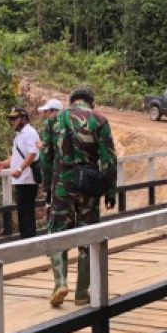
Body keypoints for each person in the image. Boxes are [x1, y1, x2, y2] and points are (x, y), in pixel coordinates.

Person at [40, 87, 118, 307]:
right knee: (87, 235)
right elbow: (109, 160)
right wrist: (110, 190)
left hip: (61, 187)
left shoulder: (53, 121)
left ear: (71, 101)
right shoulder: (100, 121)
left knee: (57, 233)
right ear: (91, 103)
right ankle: (82, 292)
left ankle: (60, 283)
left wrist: (47, 185)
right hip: (89, 187)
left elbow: (45, 157)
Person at [0, 107, 41, 239]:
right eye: (11, 119)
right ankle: (26, 240)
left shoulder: (30, 133)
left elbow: (32, 154)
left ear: (23, 119)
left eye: (14, 119)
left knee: (26, 212)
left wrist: (20, 169)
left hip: (27, 179)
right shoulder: (19, 135)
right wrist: (3, 164)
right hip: (21, 179)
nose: (12, 122)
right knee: (23, 211)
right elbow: (16, 156)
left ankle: (29, 241)